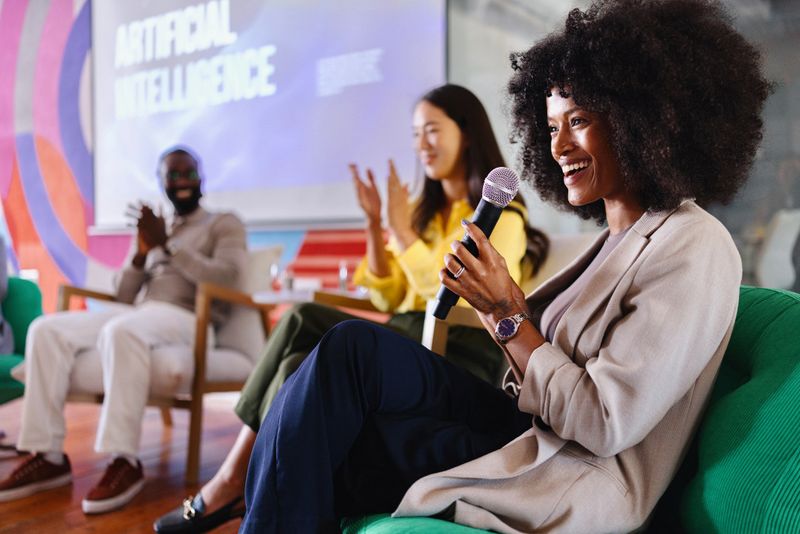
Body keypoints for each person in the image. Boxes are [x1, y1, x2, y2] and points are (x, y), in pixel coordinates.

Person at [239, 1, 771, 532]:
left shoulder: (694, 244)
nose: (558, 146)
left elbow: (606, 421)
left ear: (644, 119)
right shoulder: (614, 240)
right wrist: (500, 315)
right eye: (551, 126)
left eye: (579, 121)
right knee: (349, 351)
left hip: (575, 468)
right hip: (525, 428)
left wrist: (506, 315)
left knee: (351, 438)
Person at [153, 84, 548, 533]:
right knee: (297, 365)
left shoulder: (503, 217)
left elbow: (463, 296)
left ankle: (229, 484)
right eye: (415, 133)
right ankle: (271, 502)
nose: (421, 144)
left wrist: (401, 233)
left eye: (432, 131)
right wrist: (377, 223)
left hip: (456, 346)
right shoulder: (423, 213)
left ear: (468, 133)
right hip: (406, 332)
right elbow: (386, 293)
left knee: (303, 319)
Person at [0, 147, 247, 514]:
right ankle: (48, 455)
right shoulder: (154, 226)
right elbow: (123, 295)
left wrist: (169, 246)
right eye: (172, 175)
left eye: (188, 173)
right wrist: (141, 252)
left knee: (122, 331)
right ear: (162, 182)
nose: (181, 182)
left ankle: (124, 460)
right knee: (45, 330)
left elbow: (228, 278)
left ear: (201, 177)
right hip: (139, 312)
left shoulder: (224, 223)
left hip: (189, 319)